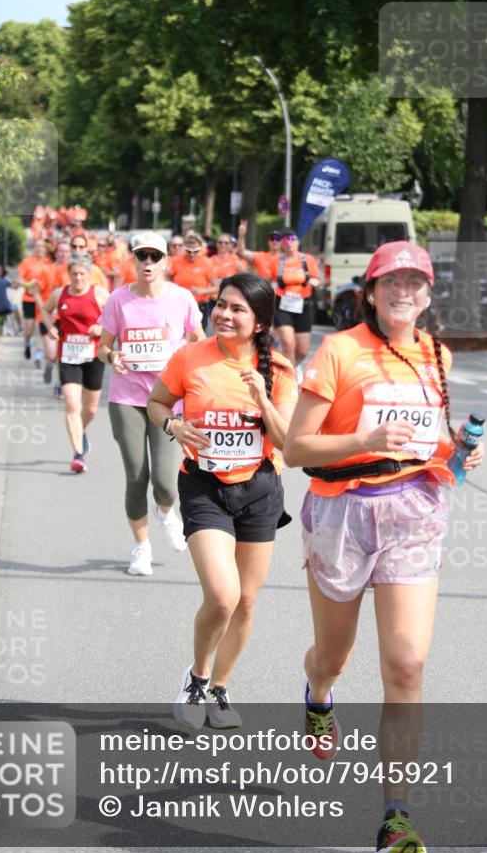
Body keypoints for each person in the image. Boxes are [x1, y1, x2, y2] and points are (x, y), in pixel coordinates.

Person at [283, 241, 484, 853]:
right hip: (343, 512)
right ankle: (317, 693)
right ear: (369, 292)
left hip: (414, 514)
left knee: (406, 664)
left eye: (416, 283)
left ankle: (396, 818)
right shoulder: (340, 350)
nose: (404, 292)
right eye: (391, 282)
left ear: (428, 295)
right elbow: (296, 449)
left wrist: (457, 450)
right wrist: (364, 438)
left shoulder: (435, 354)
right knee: (335, 656)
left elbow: (426, 440)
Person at [147, 273, 298, 729]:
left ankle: (219, 689)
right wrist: (173, 426)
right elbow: (157, 403)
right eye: (220, 304)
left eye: (237, 309)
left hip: (258, 490)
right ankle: (196, 676)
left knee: (247, 602)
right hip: (204, 485)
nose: (224, 314)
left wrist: (261, 399)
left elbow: (288, 441)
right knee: (222, 595)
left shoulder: (281, 369)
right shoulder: (190, 357)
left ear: (259, 322)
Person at [98, 231, 205, 576]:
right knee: (135, 476)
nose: (147, 263)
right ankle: (141, 547)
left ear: (165, 262)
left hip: (167, 399)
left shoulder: (182, 299)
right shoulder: (118, 300)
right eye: (141, 256)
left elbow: (199, 342)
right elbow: (103, 345)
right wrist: (111, 355)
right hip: (126, 398)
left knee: (164, 481)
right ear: (133, 259)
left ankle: (165, 510)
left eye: (154, 257)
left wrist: (191, 369)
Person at [38, 255, 109, 473]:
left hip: (93, 355)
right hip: (68, 354)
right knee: (71, 403)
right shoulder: (60, 293)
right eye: (74, 274)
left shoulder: (98, 294)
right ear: (69, 274)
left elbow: (115, 316)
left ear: (89, 274)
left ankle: (80, 431)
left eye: (82, 274)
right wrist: (51, 326)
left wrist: (101, 327)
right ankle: (78, 454)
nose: (78, 278)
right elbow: (44, 310)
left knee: (91, 409)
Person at [270, 232, 320, 380]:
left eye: (292, 239)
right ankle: (288, 379)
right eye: (286, 240)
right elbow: (270, 280)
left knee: (303, 350)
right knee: (287, 342)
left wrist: (313, 283)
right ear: (282, 244)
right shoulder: (277, 261)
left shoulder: (307, 259)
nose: (289, 243)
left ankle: (291, 367)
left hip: (302, 304)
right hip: (282, 304)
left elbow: (316, 278)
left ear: (298, 242)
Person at [169, 231, 219, 331]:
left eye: (195, 251)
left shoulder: (206, 262)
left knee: (198, 336)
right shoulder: (176, 261)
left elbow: (217, 286)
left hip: (199, 306)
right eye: (189, 251)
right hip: (178, 305)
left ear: (201, 248)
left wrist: (202, 291)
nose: (192, 254)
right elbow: (167, 279)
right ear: (184, 248)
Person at [15, 239, 55, 365]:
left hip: (44, 302)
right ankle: (27, 343)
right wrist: (28, 284)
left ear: (45, 249)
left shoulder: (50, 263)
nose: (39, 249)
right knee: (29, 328)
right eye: (37, 246)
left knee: (41, 329)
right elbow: (17, 281)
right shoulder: (27, 262)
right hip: (29, 299)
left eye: (42, 247)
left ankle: (38, 355)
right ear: (33, 248)